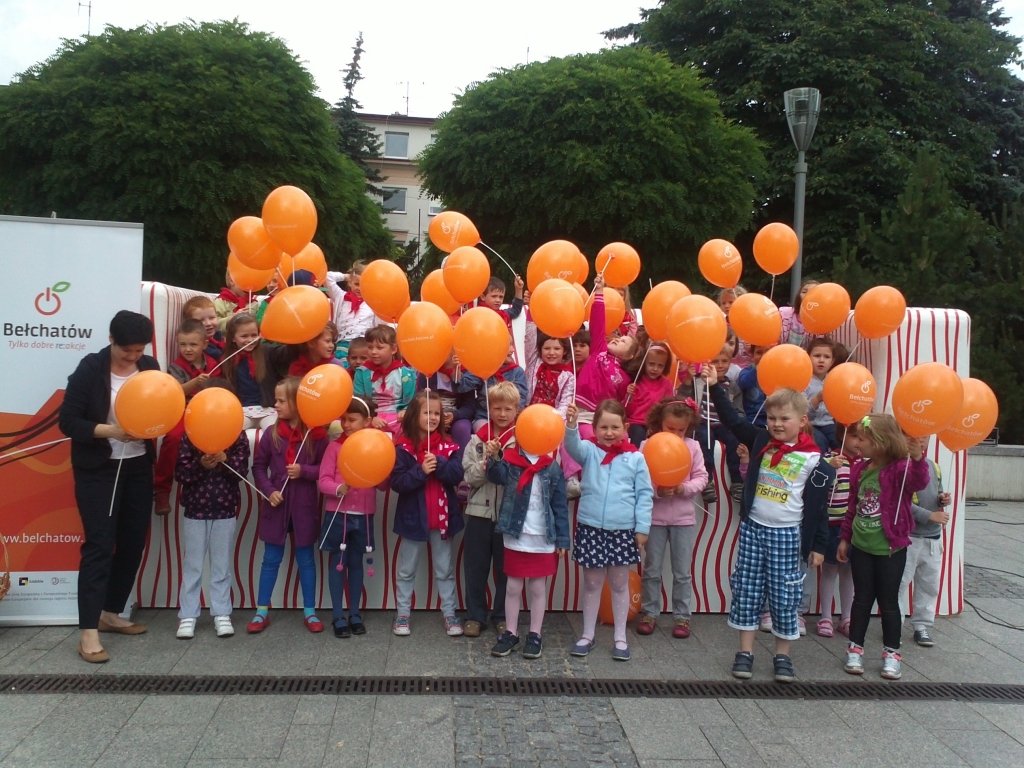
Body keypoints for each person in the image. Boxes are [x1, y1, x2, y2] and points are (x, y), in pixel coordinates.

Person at [706, 367, 835, 683]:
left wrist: (819, 545)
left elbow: (818, 509)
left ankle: (782, 656)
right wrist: (714, 387)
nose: (776, 424)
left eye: (784, 419)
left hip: (788, 535)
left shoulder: (814, 460)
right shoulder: (761, 440)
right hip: (754, 529)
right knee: (747, 590)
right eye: (772, 418)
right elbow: (734, 422)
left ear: (802, 421)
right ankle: (745, 652)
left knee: (784, 596)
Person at [58, 310, 162, 663]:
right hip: (98, 469)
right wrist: (113, 431)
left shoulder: (149, 366)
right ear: (111, 340)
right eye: (126, 350)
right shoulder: (91, 368)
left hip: (137, 466)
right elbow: (68, 422)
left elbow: (160, 406)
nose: (133, 357)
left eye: (139, 350)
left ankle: (111, 612)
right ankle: (88, 631)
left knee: (133, 542)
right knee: (100, 545)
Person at [838, 414, 929, 679]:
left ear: (880, 441)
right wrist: (845, 538)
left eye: (861, 438)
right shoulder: (859, 469)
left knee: (889, 602)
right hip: (861, 546)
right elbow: (853, 505)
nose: (857, 443)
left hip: (891, 549)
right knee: (861, 599)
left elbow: (918, 482)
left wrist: (918, 458)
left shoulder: (899, 469)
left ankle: (891, 653)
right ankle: (855, 649)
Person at [565, 399, 653, 661]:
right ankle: (587, 634)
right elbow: (572, 447)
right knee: (592, 584)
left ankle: (620, 637)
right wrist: (571, 426)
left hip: (622, 530)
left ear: (625, 427)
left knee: (619, 584)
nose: (609, 432)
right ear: (594, 428)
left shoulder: (636, 458)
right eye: (603, 427)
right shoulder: (589, 451)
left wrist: (642, 528)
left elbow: (644, 495)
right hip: (591, 527)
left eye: (615, 427)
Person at [247, 377, 329, 634]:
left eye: (281, 400)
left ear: (297, 403)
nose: (276, 404)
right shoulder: (271, 434)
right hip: (277, 506)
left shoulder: (317, 436)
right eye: (276, 399)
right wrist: (269, 490)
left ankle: (310, 611)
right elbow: (258, 467)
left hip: (304, 506)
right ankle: (261, 610)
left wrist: (304, 471)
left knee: (306, 559)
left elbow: (325, 469)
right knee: (271, 559)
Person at [485, 412, 570, 659]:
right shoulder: (511, 461)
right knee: (512, 586)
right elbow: (495, 476)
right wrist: (494, 457)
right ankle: (510, 633)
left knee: (537, 587)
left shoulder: (552, 467)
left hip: (542, 538)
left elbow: (560, 506)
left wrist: (562, 539)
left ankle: (535, 634)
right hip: (516, 535)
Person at [173, 380, 250, 640]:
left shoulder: (237, 435)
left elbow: (241, 472)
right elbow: (181, 473)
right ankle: (188, 615)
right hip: (195, 509)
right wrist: (201, 465)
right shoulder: (190, 434)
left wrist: (225, 460)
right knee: (193, 565)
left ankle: (221, 613)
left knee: (221, 565)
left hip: (225, 507)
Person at [390, 390, 466, 637]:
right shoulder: (403, 447)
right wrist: (421, 471)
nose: (433, 417)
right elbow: (397, 483)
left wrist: (440, 464)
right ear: (414, 415)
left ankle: (450, 613)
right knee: (406, 570)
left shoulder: (448, 445)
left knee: (445, 570)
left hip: (443, 522)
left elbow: (457, 475)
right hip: (413, 521)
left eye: (436, 413)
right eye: (427, 412)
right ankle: (403, 614)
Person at [636, 398, 708, 639]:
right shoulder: (647, 445)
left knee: (682, 572)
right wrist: (657, 490)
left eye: (681, 430)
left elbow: (701, 477)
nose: (676, 434)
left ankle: (682, 616)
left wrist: (682, 488)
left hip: (683, 520)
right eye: (670, 428)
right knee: (651, 569)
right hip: (654, 518)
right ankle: (649, 612)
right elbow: (639, 479)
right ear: (659, 423)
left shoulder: (693, 447)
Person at [318, 397, 382, 638]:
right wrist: (338, 488)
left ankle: (354, 613)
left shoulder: (374, 448)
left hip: (364, 515)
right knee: (338, 562)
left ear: (367, 421)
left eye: (352, 420)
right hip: (338, 514)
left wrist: (381, 470)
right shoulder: (334, 448)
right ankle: (338, 615)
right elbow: (323, 481)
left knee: (356, 563)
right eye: (343, 419)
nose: (345, 424)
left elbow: (383, 483)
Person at [462, 382, 520, 638]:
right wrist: (486, 463)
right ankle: (475, 616)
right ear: (489, 408)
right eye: (497, 408)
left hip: (508, 515)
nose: (502, 414)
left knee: (506, 570)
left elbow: (517, 477)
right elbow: (468, 477)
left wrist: (501, 462)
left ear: (517, 410)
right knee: (475, 568)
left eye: (508, 409)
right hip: (479, 513)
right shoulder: (476, 440)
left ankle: (502, 616)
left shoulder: (521, 440)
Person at [153, 319, 221, 514]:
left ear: (204, 344)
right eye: (183, 344)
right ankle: (161, 490)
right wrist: (195, 382)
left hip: (209, 411)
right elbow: (174, 392)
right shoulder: (176, 367)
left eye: (193, 344)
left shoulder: (214, 363)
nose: (187, 349)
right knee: (173, 438)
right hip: (184, 410)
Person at [898, 435, 951, 649]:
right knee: (900, 583)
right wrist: (929, 515)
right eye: (915, 437)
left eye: (924, 438)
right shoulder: (900, 466)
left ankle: (922, 625)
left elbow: (937, 492)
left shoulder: (933, 466)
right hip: (909, 536)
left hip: (932, 537)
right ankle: (894, 624)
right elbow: (901, 503)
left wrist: (942, 499)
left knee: (929, 584)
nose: (920, 441)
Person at [574, 276, 641, 438]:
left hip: (605, 418)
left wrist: (629, 395)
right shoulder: (599, 350)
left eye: (623, 341)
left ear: (629, 355)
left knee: (622, 439)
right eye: (619, 338)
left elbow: (625, 408)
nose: (618, 339)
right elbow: (598, 322)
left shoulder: (625, 378)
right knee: (590, 438)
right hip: (583, 413)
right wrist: (599, 292)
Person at [817, 423, 858, 638]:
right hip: (832, 524)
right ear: (842, 435)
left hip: (853, 526)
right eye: (854, 436)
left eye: (863, 438)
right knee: (829, 570)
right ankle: (825, 616)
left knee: (848, 571)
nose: (858, 442)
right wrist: (829, 466)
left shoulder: (864, 462)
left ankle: (846, 617)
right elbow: (817, 477)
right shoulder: (830, 458)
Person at [353, 325, 416, 434]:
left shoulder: (406, 374)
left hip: (397, 418)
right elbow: (359, 401)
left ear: (393, 349)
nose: (373, 352)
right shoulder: (362, 372)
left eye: (379, 348)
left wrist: (405, 410)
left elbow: (412, 400)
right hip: (371, 417)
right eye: (370, 347)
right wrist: (371, 417)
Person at [460, 340, 528, 429]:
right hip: (485, 416)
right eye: (508, 345)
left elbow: (520, 399)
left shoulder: (517, 371)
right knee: (483, 430)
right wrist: (456, 371)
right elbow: (462, 386)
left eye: (512, 345)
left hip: (509, 419)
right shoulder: (482, 368)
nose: (513, 350)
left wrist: (508, 415)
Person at [417, 350, 476, 449]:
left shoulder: (467, 375)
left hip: (457, 417)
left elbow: (469, 407)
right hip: (431, 416)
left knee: (462, 428)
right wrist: (436, 417)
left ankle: (461, 459)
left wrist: (454, 416)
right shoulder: (427, 372)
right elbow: (418, 401)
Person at [325, 262, 380, 359]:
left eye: (364, 284)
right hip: (343, 343)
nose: (360, 288)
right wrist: (346, 276)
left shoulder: (372, 302)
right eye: (356, 284)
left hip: (364, 344)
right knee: (342, 365)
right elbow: (327, 277)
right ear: (350, 282)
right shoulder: (341, 297)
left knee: (362, 367)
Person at [625, 341, 676, 447]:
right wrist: (629, 396)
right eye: (651, 364)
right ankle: (636, 456)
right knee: (638, 434)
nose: (655, 369)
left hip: (656, 425)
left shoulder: (667, 384)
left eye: (660, 366)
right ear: (644, 362)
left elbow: (668, 408)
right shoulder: (636, 381)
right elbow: (629, 411)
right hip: (636, 423)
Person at [219, 313, 272, 407]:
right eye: (244, 336)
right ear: (233, 338)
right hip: (239, 408)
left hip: (265, 407)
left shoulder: (266, 351)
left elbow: (287, 353)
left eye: (254, 335)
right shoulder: (227, 359)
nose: (250, 340)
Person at [524, 319, 574, 418]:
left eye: (557, 348)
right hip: (528, 415)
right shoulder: (534, 362)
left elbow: (565, 403)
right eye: (547, 348)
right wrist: (531, 315)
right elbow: (529, 338)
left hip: (551, 419)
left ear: (564, 351)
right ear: (540, 350)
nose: (551, 353)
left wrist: (554, 419)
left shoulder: (568, 376)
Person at [805, 337, 838, 450]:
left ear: (832, 361)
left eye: (827, 357)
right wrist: (817, 399)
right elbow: (801, 411)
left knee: (838, 440)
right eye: (817, 356)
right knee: (819, 441)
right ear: (808, 357)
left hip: (828, 423)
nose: (821, 360)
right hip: (809, 424)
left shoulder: (834, 379)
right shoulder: (804, 380)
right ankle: (821, 460)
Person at [737, 344, 773, 427]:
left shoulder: (778, 373)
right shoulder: (746, 371)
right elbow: (743, 383)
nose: (764, 356)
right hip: (751, 420)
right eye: (759, 352)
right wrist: (758, 369)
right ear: (752, 356)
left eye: (768, 352)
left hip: (772, 421)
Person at [214, 268, 259, 333]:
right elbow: (214, 325)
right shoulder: (221, 301)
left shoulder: (254, 303)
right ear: (232, 281)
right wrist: (232, 318)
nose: (249, 285)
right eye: (245, 280)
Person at [779, 279, 820, 349]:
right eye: (804, 292)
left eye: (813, 292)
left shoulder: (823, 321)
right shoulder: (784, 314)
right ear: (799, 295)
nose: (808, 294)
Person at [182, 295, 224, 360]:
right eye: (201, 320)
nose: (208, 323)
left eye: (212, 318)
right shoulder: (198, 348)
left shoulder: (220, 338)